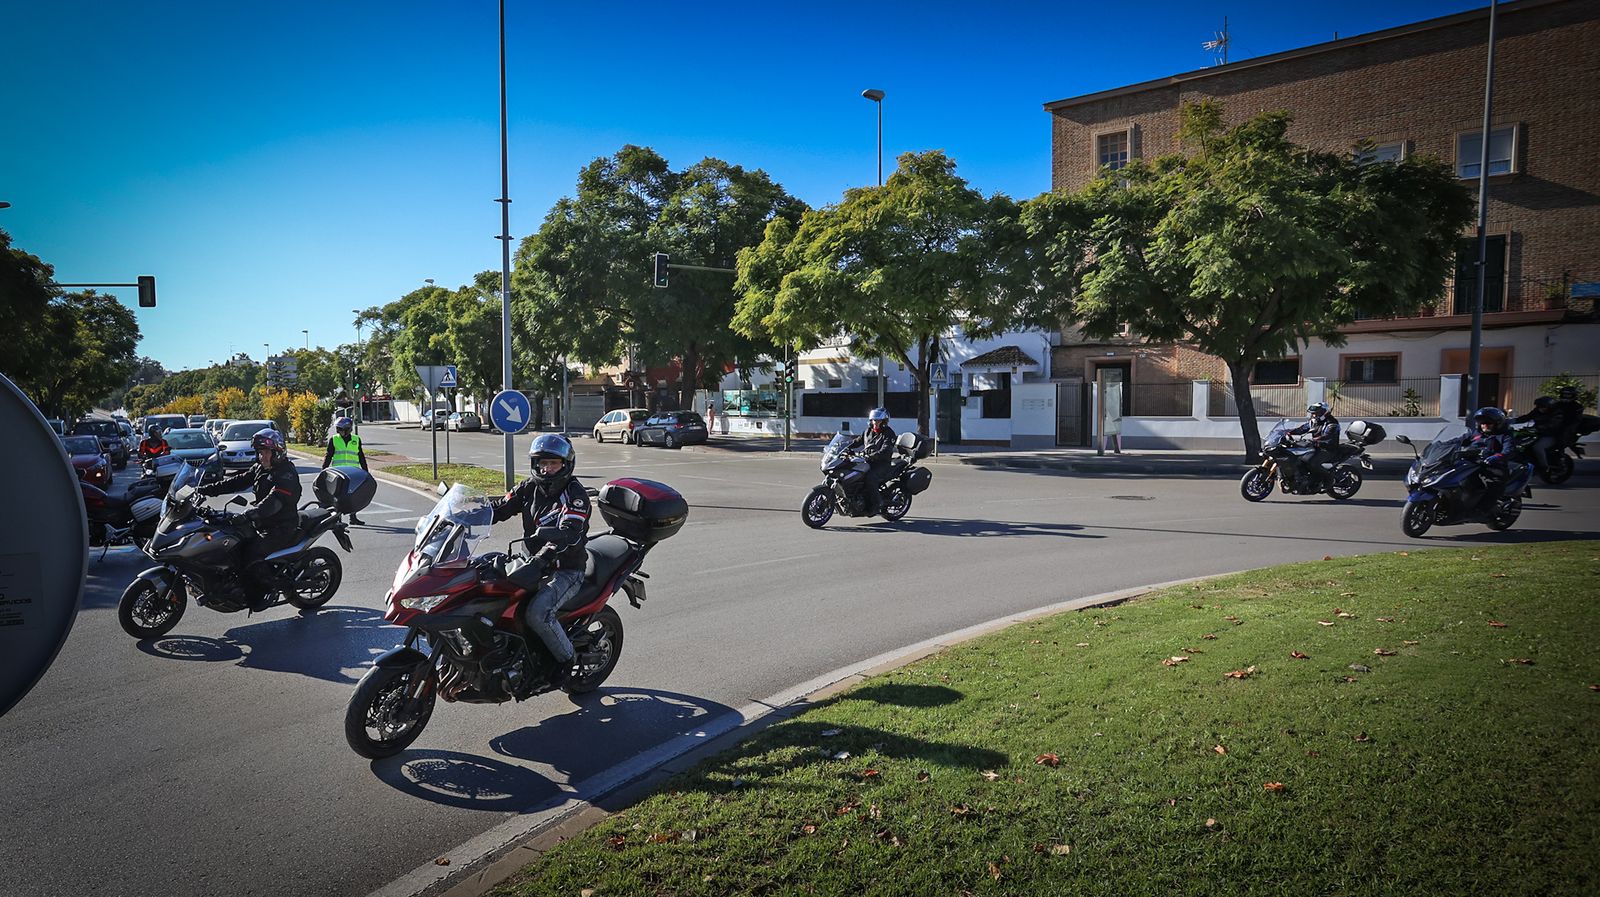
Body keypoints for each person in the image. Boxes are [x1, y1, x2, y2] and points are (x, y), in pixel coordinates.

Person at [490, 434, 591, 687]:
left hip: (565, 569)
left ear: (566, 464)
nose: (547, 469)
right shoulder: (529, 487)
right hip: (530, 562)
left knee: (538, 613)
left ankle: (565, 661)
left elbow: (569, 531)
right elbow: (500, 508)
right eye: (542, 463)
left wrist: (544, 557)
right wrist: (465, 513)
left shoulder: (575, 495)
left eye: (553, 463)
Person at [198, 428, 302, 613]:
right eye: (260, 452)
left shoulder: (286, 474)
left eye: (266, 452)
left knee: (251, 554)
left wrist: (248, 515)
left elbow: (273, 503)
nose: (262, 457)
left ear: (277, 452)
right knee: (233, 545)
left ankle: (262, 592)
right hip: (263, 522)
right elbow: (236, 481)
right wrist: (204, 490)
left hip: (281, 527)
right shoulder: (260, 468)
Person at [1463, 407, 1517, 507]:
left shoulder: (1505, 435)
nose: (1484, 425)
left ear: (1497, 423)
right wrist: (1442, 444)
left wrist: (1497, 457)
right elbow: (1458, 440)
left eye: (1488, 423)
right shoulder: (1475, 434)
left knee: (1493, 485)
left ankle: (1483, 510)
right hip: (1472, 464)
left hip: (1494, 466)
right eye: (1482, 423)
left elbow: (1509, 450)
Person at [320, 416, 368, 526]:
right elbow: (329, 456)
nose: (338, 431)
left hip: (353, 472)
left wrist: (365, 471)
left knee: (353, 495)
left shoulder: (356, 439)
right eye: (338, 429)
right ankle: (338, 519)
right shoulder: (334, 439)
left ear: (348, 429)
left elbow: (361, 456)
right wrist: (324, 470)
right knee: (338, 497)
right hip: (339, 472)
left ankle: (353, 518)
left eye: (340, 429)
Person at [850, 408, 897, 514]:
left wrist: (871, 456)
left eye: (878, 420)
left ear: (884, 421)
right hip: (867, 461)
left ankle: (877, 504)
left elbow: (885, 451)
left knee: (870, 478)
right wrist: (843, 446)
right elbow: (857, 441)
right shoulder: (868, 431)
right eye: (874, 420)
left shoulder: (889, 434)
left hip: (881, 464)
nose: (875, 423)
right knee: (853, 473)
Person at [1288, 402, 1340, 491]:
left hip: (1328, 448)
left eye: (1316, 413)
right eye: (1313, 413)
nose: (1314, 415)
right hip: (1315, 447)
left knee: (1311, 461)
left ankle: (1328, 479)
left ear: (1324, 412)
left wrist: (1314, 440)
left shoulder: (1332, 422)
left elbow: (1328, 436)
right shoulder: (1313, 421)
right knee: (1299, 458)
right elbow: (1302, 429)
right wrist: (1288, 432)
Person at [1510, 396, 1564, 475]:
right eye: (1539, 406)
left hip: (1551, 435)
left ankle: (1544, 467)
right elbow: (1527, 417)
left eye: (1543, 406)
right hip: (1538, 433)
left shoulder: (1557, 413)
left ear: (1550, 407)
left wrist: (1538, 428)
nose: (1540, 408)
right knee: (1521, 441)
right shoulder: (1537, 411)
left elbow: (1553, 425)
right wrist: (1512, 421)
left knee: (1538, 447)